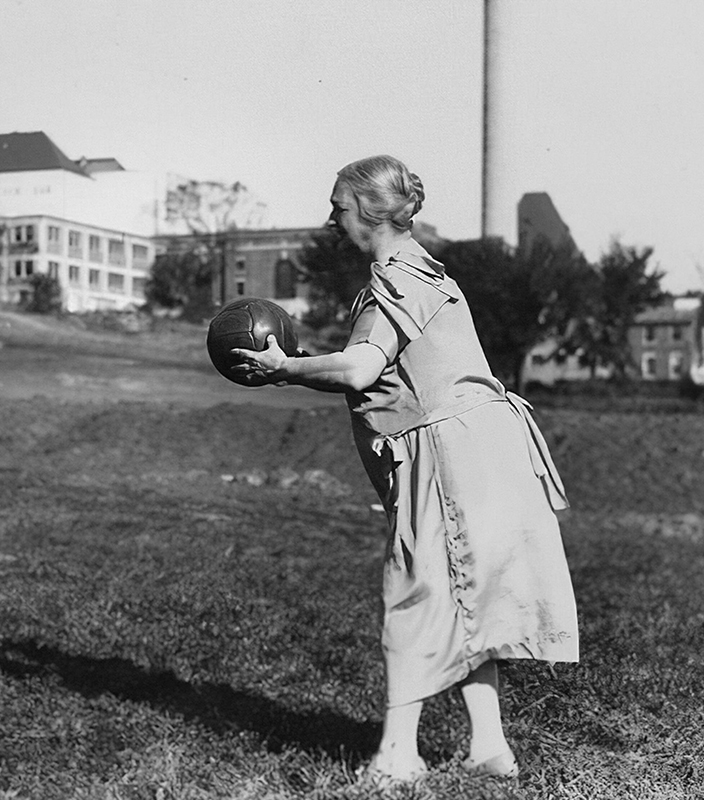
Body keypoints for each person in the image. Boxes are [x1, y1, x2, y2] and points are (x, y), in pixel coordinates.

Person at [233, 155, 578, 785]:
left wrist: (284, 367)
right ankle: (490, 748)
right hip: (475, 446)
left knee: (415, 592)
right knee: (467, 592)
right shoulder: (421, 272)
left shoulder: (401, 279)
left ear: (369, 210)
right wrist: (304, 365)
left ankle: (398, 756)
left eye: (338, 204)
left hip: (452, 453)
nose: (331, 217)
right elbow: (375, 377)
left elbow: (362, 369)